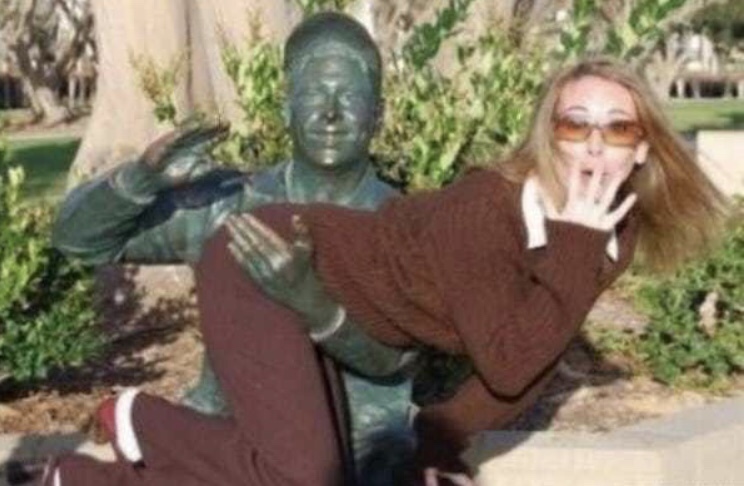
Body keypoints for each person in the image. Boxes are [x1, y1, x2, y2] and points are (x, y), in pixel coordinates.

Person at [18, 56, 727, 485]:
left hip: (331, 309)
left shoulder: (607, 229)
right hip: (259, 262)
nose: (595, 145)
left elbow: (536, 350)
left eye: (618, 127)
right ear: (550, 136)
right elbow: (509, 361)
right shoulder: (487, 212)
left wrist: (436, 442)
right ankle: (143, 419)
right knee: (306, 478)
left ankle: (77, 479)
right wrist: (140, 180)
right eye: (575, 124)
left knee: (303, 476)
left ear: (643, 148)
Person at [17, 12, 417, 486]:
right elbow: (77, 241)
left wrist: (317, 308)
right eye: (313, 93)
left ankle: (103, 455)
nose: (330, 113)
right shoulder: (231, 203)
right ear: (286, 108)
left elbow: (398, 358)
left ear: (378, 113)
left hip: (361, 452)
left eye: (349, 95)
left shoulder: (403, 227)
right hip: (230, 436)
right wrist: (139, 180)